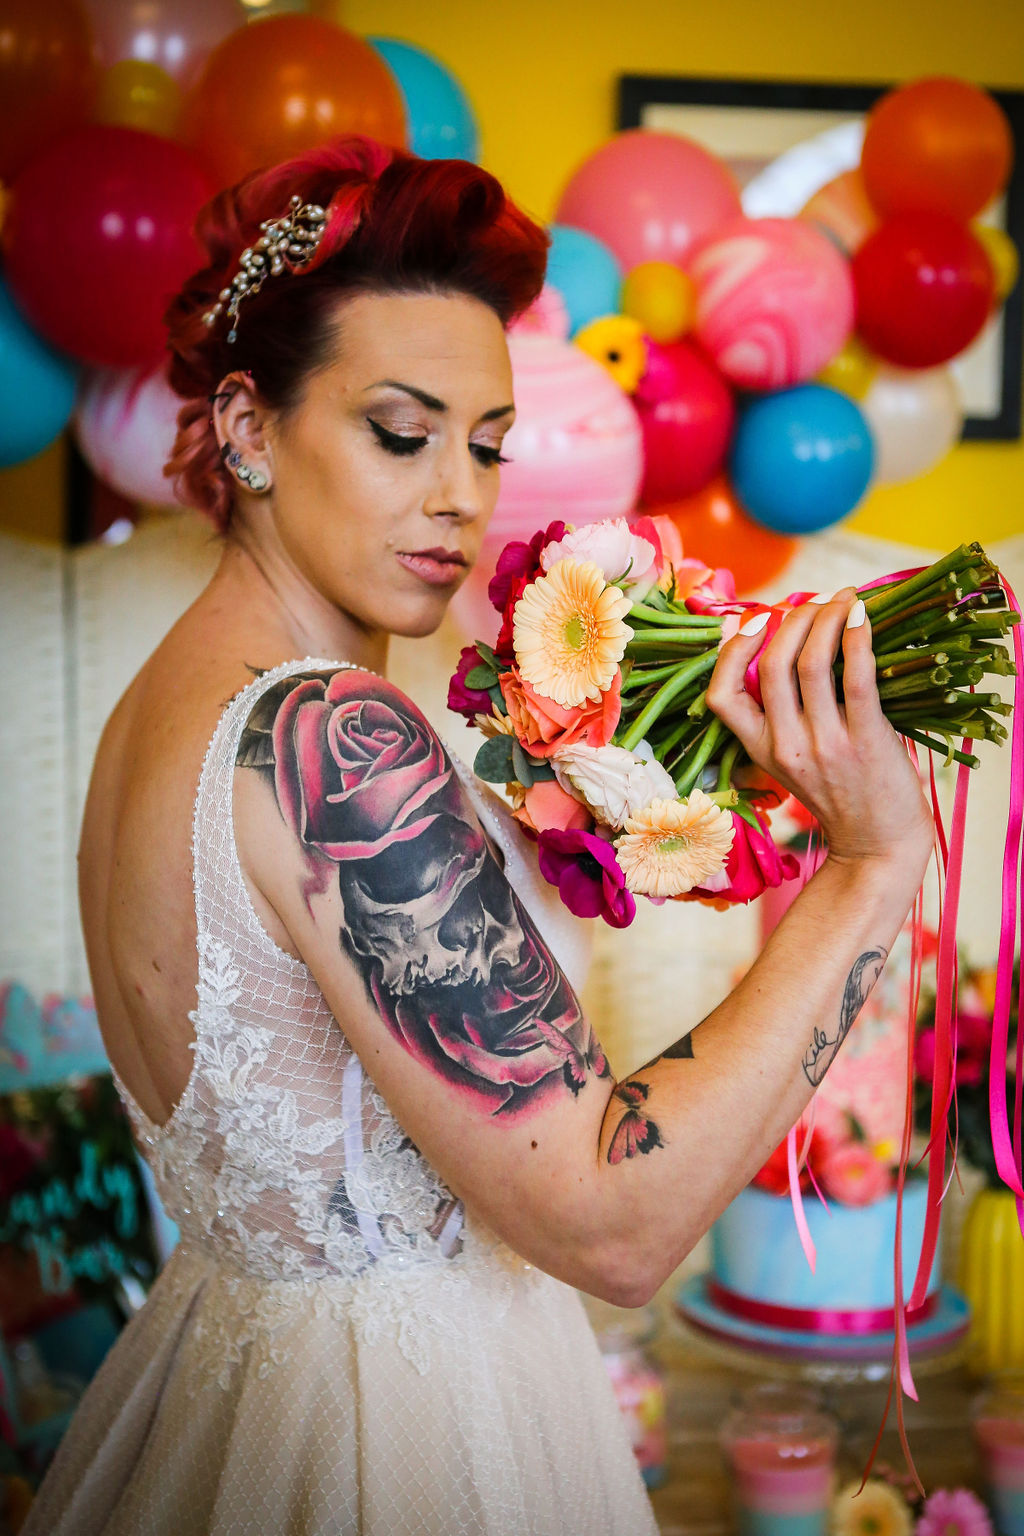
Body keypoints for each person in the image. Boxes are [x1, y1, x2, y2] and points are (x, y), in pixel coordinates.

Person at [21, 134, 933, 1536]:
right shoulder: (329, 735)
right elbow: (609, 1223)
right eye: (402, 432)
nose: (460, 492)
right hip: (401, 1436)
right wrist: (870, 871)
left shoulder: (159, 711)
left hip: (228, 1378)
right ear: (252, 429)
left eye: (488, 443)